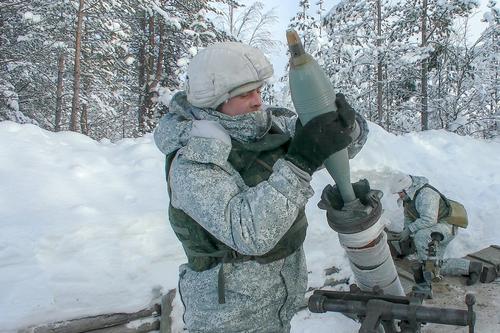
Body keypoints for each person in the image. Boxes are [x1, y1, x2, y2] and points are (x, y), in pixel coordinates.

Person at [154, 41, 368, 333]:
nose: (257, 101)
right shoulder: (192, 160)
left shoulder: (267, 126)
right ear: (215, 101)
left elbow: (330, 148)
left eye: (259, 91)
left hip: (279, 305)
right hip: (229, 319)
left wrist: (344, 128)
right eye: (245, 94)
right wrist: (300, 161)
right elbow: (250, 233)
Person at [388, 174, 483, 287]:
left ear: (407, 189)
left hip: (446, 226)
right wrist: (406, 232)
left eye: (400, 192)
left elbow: (429, 219)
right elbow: (409, 217)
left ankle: (430, 267)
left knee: (422, 242)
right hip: (434, 227)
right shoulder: (409, 198)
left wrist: (410, 229)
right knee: (435, 265)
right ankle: (472, 267)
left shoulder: (426, 194)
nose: (399, 195)